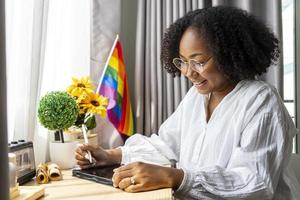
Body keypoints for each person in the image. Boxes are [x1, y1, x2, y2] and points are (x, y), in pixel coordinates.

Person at [75, 6, 300, 199]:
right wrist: (112, 155)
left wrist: (177, 177)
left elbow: (255, 184)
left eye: (199, 62)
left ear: (230, 55)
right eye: (182, 62)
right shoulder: (197, 96)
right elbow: (167, 145)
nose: (188, 73)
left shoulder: (261, 102)